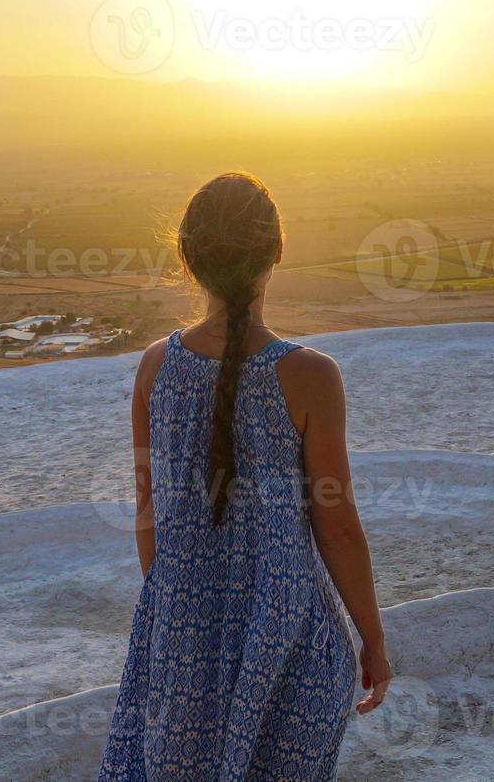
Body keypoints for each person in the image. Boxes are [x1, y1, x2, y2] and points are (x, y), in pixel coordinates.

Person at [99, 172, 392, 781]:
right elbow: (337, 531)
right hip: (288, 644)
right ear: (277, 251)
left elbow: (149, 512)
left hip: (181, 640)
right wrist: (374, 642)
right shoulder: (311, 376)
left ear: (187, 257)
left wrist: (175, 615)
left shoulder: (156, 367)